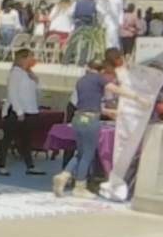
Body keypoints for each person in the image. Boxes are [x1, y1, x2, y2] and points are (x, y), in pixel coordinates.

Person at [53, 65, 147, 199]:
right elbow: (116, 90)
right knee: (88, 155)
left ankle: (65, 174)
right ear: (104, 72)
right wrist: (138, 98)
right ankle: (80, 186)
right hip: (91, 120)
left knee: (81, 153)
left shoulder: (81, 81)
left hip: (78, 117)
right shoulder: (99, 79)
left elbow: (89, 104)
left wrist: (111, 112)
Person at [0, 48, 44, 177]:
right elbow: (12, 94)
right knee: (8, 139)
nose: (32, 59)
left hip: (30, 110)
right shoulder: (15, 74)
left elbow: (37, 92)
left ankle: (30, 166)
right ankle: (2, 165)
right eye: (30, 57)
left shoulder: (27, 74)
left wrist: (35, 79)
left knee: (26, 140)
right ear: (23, 58)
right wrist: (19, 111)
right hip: (16, 111)